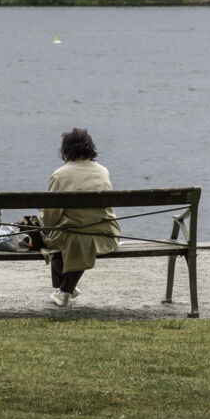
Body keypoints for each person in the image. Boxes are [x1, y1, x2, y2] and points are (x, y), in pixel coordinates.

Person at [40, 128, 121, 307]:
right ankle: (65, 287)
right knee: (73, 237)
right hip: (105, 234)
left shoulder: (60, 175)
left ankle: (64, 291)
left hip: (74, 236)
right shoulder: (102, 171)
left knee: (54, 238)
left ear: (65, 150)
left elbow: (50, 219)